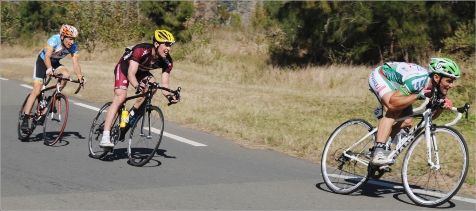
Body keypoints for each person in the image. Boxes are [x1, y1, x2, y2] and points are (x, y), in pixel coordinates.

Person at [368, 58, 460, 166]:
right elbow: (393, 104)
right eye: (449, 81)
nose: (452, 85)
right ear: (436, 77)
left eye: (452, 81)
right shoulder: (418, 80)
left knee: (407, 122)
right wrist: (418, 95)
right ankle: (378, 152)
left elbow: (430, 116)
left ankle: (381, 144)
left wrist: (440, 108)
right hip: (383, 76)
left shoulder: (439, 88)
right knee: (393, 111)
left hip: (401, 84)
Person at [99, 29, 179, 147]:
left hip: (142, 71)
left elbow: (165, 84)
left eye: (170, 45)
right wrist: (137, 85)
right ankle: (105, 137)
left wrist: (170, 96)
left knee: (152, 86)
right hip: (125, 68)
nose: (169, 48)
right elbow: (131, 73)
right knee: (120, 97)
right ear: (156, 44)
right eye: (166, 45)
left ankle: (132, 113)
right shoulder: (141, 50)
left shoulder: (167, 61)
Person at [21, 24, 85, 132]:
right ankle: (25, 118)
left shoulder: (73, 47)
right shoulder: (54, 40)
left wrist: (79, 76)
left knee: (66, 75)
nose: (72, 42)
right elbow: (47, 57)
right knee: (36, 91)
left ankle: (52, 99)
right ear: (62, 37)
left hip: (55, 62)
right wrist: (49, 69)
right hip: (42, 62)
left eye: (74, 39)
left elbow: (76, 63)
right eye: (70, 39)